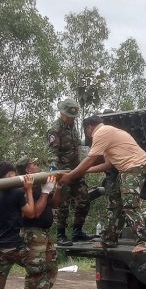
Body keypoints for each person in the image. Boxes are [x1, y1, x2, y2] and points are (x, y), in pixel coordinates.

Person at [60, 115, 146, 253]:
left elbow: (90, 159)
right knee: (114, 202)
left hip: (135, 167)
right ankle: (110, 240)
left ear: (89, 127)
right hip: (126, 169)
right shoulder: (107, 134)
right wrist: (86, 171)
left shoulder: (101, 132)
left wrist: (71, 175)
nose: (88, 135)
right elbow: (108, 164)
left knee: (129, 204)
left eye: (86, 131)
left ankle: (143, 242)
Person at [16, 157, 62, 289]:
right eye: (35, 164)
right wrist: (44, 192)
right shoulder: (24, 188)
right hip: (32, 232)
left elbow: (54, 203)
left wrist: (58, 187)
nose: (39, 166)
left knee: (51, 266)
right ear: (27, 170)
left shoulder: (41, 183)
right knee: (37, 269)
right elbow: (35, 212)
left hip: (44, 232)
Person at [47, 98, 92, 246]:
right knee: (63, 205)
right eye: (68, 116)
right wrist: (54, 171)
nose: (71, 119)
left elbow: (77, 146)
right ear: (61, 112)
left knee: (84, 199)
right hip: (62, 172)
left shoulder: (72, 126)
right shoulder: (55, 129)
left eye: (73, 117)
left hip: (76, 170)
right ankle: (61, 235)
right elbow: (51, 152)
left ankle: (77, 232)